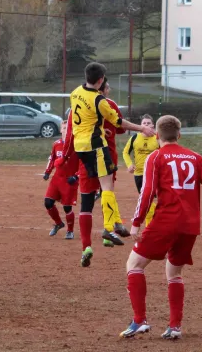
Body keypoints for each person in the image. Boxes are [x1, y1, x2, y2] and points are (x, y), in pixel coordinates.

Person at [119, 115, 202, 340]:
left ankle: (139, 320)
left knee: (134, 264)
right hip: (190, 226)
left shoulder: (155, 157)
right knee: (174, 272)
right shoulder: (195, 157)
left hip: (165, 222)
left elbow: (146, 193)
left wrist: (136, 222)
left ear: (157, 135)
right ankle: (174, 326)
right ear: (179, 134)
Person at [69, 62, 155, 267]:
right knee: (107, 186)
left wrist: (98, 129)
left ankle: (114, 222)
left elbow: (80, 120)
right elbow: (120, 124)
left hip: (81, 147)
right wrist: (142, 129)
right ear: (100, 81)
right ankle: (109, 227)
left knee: (92, 196)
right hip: (96, 146)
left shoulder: (75, 92)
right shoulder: (100, 100)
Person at [98, 77, 130, 247]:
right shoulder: (109, 104)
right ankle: (109, 229)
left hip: (85, 152)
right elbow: (121, 129)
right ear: (102, 88)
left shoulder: (82, 102)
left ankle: (115, 224)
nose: (109, 90)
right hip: (106, 152)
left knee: (100, 192)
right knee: (107, 190)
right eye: (108, 87)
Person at [43, 120, 80, 240]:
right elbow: (52, 158)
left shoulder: (77, 145)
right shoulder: (57, 144)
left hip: (70, 180)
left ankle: (70, 231)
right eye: (64, 128)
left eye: (68, 128)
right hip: (57, 179)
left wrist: (76, 176)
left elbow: (84, 164)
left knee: (67, 207)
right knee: (48, 203)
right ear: (60, 130)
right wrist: (47, 172)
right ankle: (59, 223)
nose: (66, 130)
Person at [122, 114, 160, 225]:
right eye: (144, 123)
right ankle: (151, 225)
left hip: (155, 174)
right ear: (140, 125)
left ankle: (153, 225)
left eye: (148, 123)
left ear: (153, 125)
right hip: (139, 174)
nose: (146, 125)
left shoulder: (158, 138)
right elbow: (125, 153)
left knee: (158, 199)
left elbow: (164, 153)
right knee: (147, 200)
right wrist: (129, 165)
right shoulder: (134, 138)